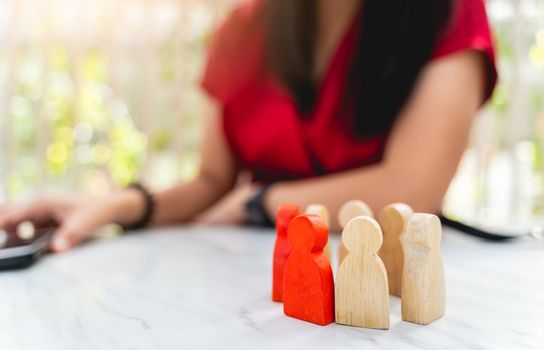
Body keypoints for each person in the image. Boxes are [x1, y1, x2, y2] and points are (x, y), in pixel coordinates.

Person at [0, 0, 497, 252]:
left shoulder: (447, 13)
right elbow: (212, 182)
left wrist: (261, 202)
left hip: (389, 288)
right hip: (250, 290)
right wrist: (114, 206)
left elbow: (412, 188)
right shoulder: (242, 30)